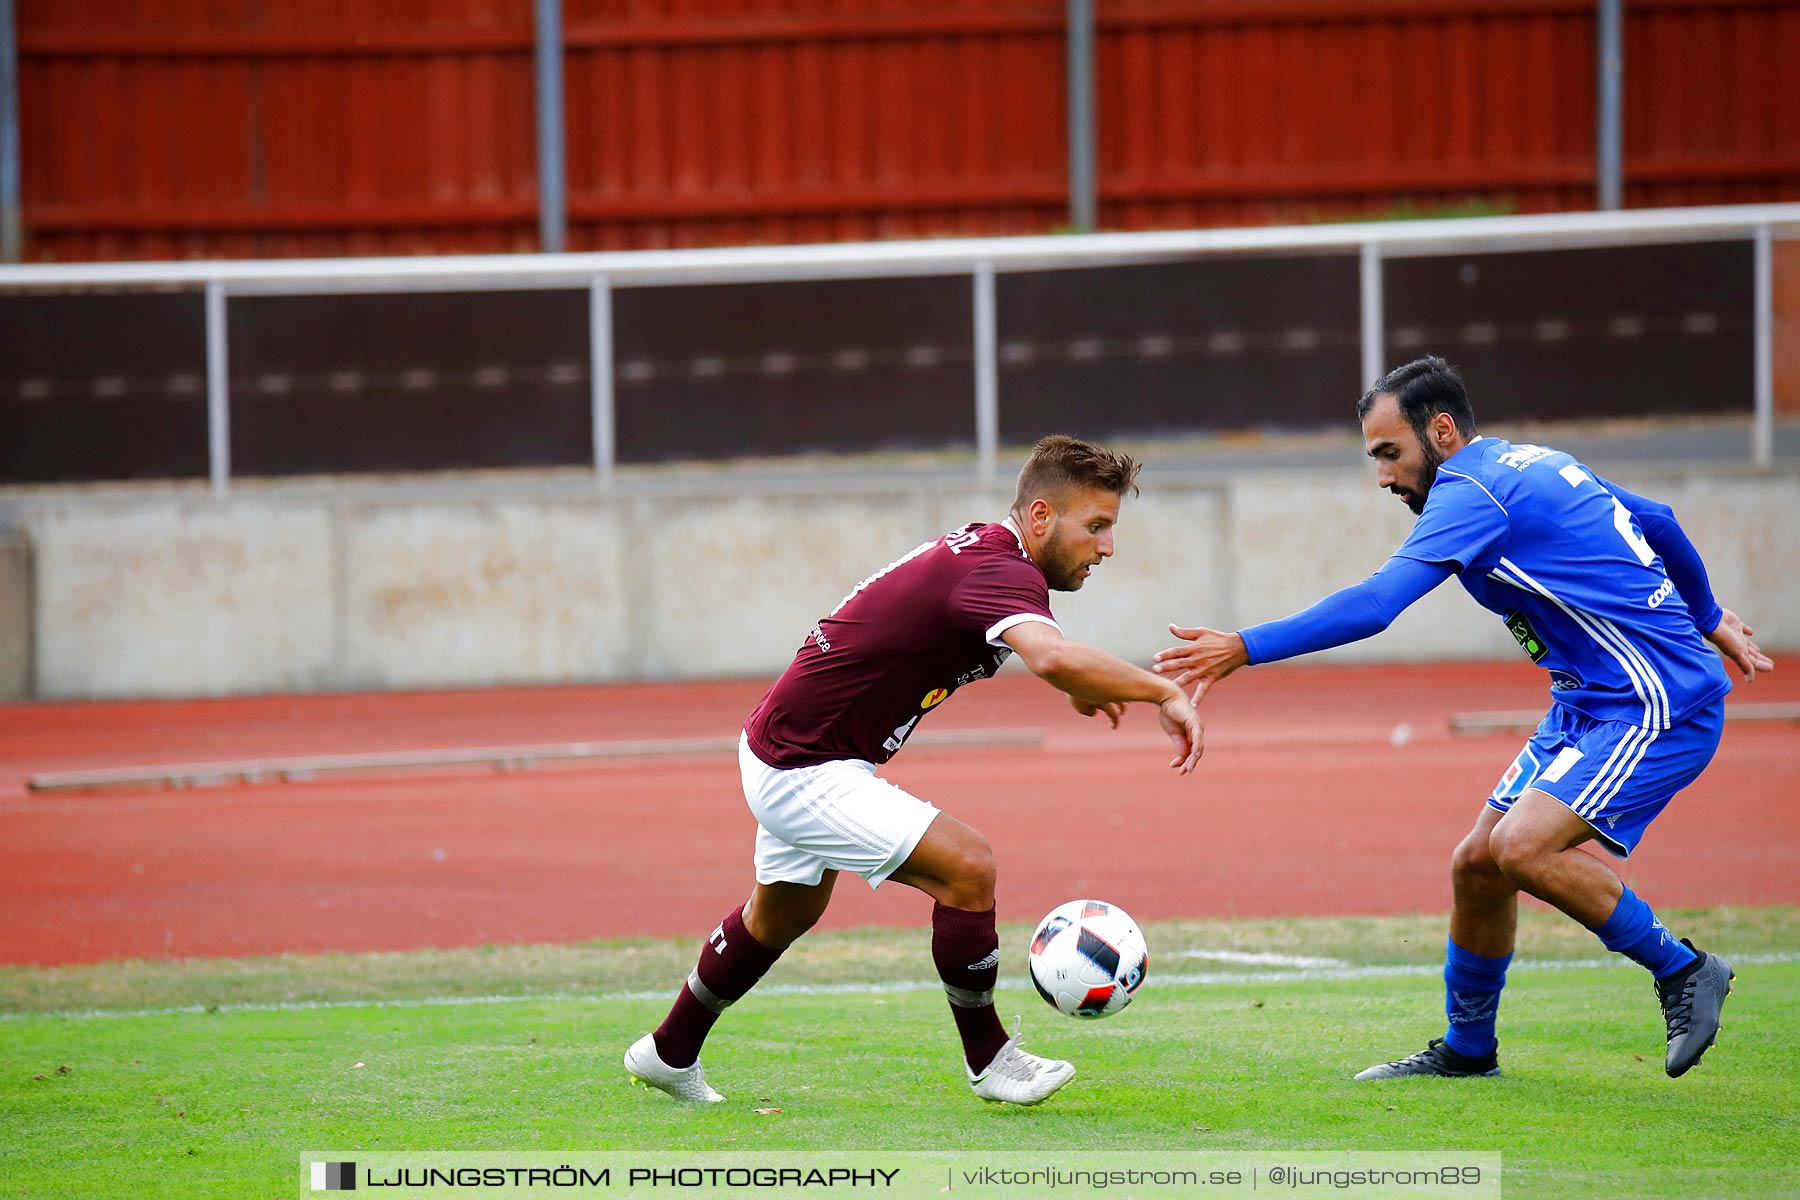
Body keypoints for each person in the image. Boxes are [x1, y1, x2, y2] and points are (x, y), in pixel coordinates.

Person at [1153, 356, 1773, 1081]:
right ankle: (1469, 1050)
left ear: (1441, 430)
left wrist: (1244, 647)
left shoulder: (1470, 489)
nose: (1383, 476)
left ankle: (1685, 970)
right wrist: (1706, 616)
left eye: (1391, 452)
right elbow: (1659, 522)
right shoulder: (1530, 462)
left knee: (1521, 848)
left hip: (1657, 702)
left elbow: (1378, 604)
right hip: (1588, 704)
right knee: (1477, 865)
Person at [625, 434, 1204, 1106]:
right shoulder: (1001, 571)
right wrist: (1161, 690)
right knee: (969, 867)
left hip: (788, 743)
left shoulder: (991, 552)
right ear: (1041, 518)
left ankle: (669, 1051)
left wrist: (1074, 678)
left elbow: (1030, 646)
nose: (1107, 547)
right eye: (1097, 526)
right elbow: (1048, 655)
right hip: (805, 764)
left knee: (779, 916)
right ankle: (992, 1061)